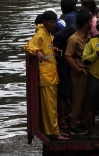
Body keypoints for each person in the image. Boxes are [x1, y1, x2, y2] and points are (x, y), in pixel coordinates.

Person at [24, 10, 67, 140]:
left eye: (54, 22)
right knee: (49, 106)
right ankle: (53, 132)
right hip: (46, 77)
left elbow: (46, 48)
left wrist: (51, 50)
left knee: (52, 105)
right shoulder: (40, 35)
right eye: (51, 22)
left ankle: (55, 130)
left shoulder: (47, 34)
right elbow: (28, 46)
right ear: (44, 22)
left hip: (51, 75)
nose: (53, 25)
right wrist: (37, 52)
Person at [65, 9, 92, 135]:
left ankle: (81, 121)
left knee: (86, 100)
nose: (92, 22)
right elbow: (67, 56)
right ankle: (74, 125)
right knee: (78, 99)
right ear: (86, 23)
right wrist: (78, 69)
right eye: (91, 20)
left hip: (88, 72)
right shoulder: (73, 39)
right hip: (79, 73)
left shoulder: (89, 36)